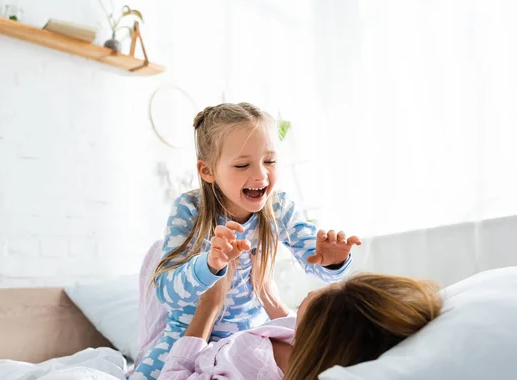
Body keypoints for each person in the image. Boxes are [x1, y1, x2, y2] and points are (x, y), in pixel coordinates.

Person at [131, 102, 361, 379]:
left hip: (251, 337)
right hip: (187, 335)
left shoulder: (279, 207)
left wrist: (333, 261)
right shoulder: (190, 210)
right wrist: (209, 266)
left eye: (270, 161)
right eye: (242, 164)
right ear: (207, 171)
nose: (261, 174)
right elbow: (167, 293)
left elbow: (316, 265)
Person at [158, 270, 442, 379]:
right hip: (219, 339)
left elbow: (172, 376)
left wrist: (209, 308)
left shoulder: (253, 371)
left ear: (323, 329)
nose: (314, 291)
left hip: (187, 353)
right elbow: (293, 328)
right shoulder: (303, 340)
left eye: (320, 299)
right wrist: (268, 296)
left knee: (158, 262)